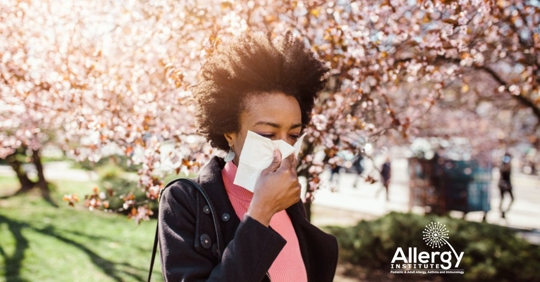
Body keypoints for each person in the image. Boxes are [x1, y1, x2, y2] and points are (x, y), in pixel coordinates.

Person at [158, 33, 338, 282]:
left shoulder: (289, 200)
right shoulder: (185, 201)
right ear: (230, 133)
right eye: (268, 133)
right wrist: (260, 214)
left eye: (293, 135)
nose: (283, 148)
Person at [498, 152, 514, 218]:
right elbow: (502, 176)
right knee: (502, 199)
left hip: (507, 184)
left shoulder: (509, 165)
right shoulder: (503, 166)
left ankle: (504, 212)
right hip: (503, 184)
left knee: (511, 199)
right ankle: (502, 212)